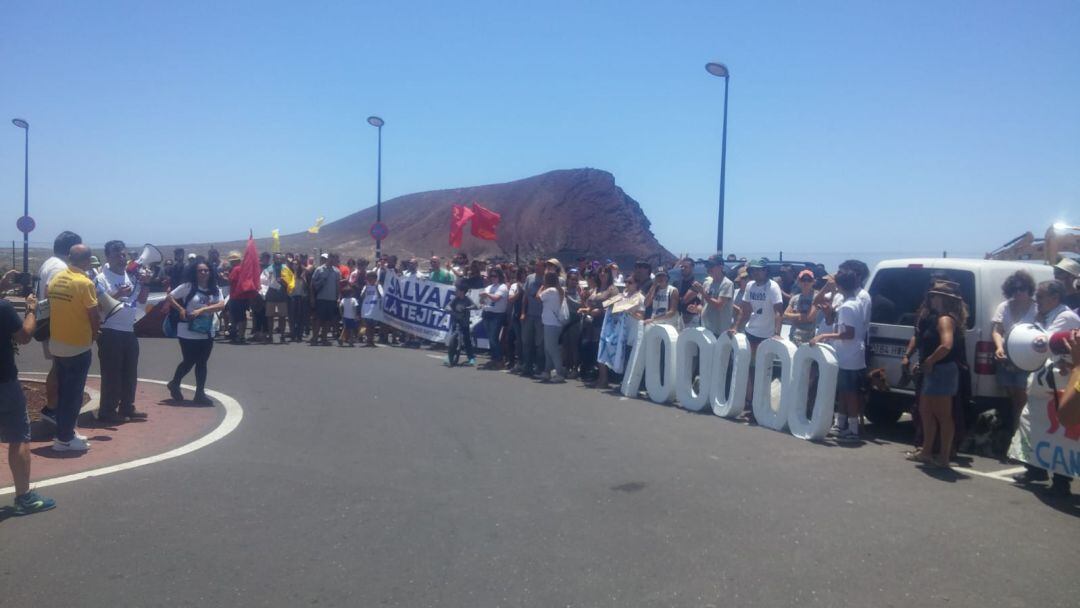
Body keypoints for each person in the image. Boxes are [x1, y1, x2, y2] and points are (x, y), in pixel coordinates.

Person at [1010, 280, 1080, 496]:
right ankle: (1035, 468)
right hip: (1045, 383)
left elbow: (1044, 344)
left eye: (1040, 297)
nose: (1035, 301)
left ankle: (1061, 480)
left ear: (1054, 298)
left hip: (1060, 384)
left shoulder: (1065, 317)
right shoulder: (1046, 315)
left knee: (1062, 433)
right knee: (1032, 422)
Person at [0, 280, 56, 515]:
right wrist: (31, 309)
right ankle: (25, 498)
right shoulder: (3, 307)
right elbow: (24, 336)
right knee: (19, 436)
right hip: (4, 382)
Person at [905, 280, 967, 467]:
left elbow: (946, 345)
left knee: (943, 415)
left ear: (943, 299)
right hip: (933, 369)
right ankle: (926, 451)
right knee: (926, 412)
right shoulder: (933, 317)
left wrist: (930, 361)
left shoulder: (945, 319)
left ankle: (944, 457)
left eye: (935, 295)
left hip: (942, 370)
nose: (931, 298)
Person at [47, 244, 100, 452]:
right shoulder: (84, 283)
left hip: (57, 342)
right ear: (87, 261)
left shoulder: (56, 279)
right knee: (73, 394)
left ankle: (65, 431)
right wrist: (95, 335)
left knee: (63, 390)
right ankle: (64, 439)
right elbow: (94, 315)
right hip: (77, 345)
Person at [94, 240, 150, 424]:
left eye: (123, 254)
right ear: (108, 257)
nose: (121, 257)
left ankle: (127, 407)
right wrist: (117, 295)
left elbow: (142, 299)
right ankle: (107, 411)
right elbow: (97, 306)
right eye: (116, 254)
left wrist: (146, 283)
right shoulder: (102, 278)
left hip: (128, 330)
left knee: (129, 372)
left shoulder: (130, 276)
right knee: (111, 373)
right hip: (110, 330)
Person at [811, 269, 869, 443]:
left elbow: (848, 333)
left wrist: (824, 336)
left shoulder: (847, 307)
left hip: (849, 356)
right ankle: (842, 424)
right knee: (844, 392)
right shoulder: (854, 302)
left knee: (850, 393)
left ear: (840, 285)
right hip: (850, 355)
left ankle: (852, 430)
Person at [35, 230, 83, 427]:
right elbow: (54, 294)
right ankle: (53, 408)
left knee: (57, 367)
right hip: (57, 325)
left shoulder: (49, 263)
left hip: (50, 323)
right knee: (60, 369)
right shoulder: (59, 267)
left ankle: (53, 408)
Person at [166, 261, 225, 405]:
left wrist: (202, 310)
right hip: (187, 331)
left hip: (207, 330)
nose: (204, 273)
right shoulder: (188, 286)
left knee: (202, 362)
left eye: (206, 270)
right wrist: (181, 309)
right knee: (189, 360)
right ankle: (175, 383)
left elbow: (221, 305)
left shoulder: (215, 289)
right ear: (195, 272)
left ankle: (200, 393)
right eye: (200, 271)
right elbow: (169, 297)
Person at [735, 259, 783, 422]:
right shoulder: (749, 286)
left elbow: (778, 312)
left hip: (766, 335)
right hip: (751, 332)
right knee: (750, 370)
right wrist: (736, 327)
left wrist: (777, 333)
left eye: (759, 270)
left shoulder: (773, 287)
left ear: (766, 271)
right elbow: (745, 309)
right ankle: (751, 404)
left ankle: (760, 406)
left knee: (763, 371)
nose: (756, 273)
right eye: (753, 270)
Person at [990, 270, 1037, 437]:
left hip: (1028, 360)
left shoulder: (1037, 309)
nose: (1018, 292)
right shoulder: (1004, 307)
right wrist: (999, 347)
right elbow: (997, 330)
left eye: (1022, 288)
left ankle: (1020, 438)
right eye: (1015, 289)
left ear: (1029, 289)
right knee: (1013, 401)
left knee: (1022, 401)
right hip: (1007, 360)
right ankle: (1015, 436)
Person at [515, 259, 547, 378]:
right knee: (526, 341)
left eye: (540, 266)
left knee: (539, 343)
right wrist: (523, 312)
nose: (537, 268)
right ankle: (527, 367)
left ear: (544, 267)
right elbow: (525, 297)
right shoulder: (530, 278)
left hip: (541, 316)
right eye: (536, 266)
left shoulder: (547, 280)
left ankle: (539, 367)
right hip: (529, 314)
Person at [538, 271, 566, 382]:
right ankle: (546, 371)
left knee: (552, 349)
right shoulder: (559, 290)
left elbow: (538, 296)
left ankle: (559, 373)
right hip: (553, 323)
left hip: (551, 324)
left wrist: (541, 287)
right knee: (547, 348)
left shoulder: (550, 291)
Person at [478, 267, 508, 369]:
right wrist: (482, 299)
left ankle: (500, 360)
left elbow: (496, 298)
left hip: (497, 315)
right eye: (491, 276)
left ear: (499, 276)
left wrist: (486, 294)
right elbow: (482, 300)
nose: (493, 278)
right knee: (490, 338)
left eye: (495, 276)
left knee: (494, 338)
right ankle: (494, 359)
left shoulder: (502, 287)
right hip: (487, 313)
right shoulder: (489, 287)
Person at [699, 254, 735, 337]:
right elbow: (703, 305)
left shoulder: (727, 284)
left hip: (719, 331)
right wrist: (696, 309)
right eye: (707, 265)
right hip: (706, 329)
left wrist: (702, 292)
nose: (708, 268)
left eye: (711, 265)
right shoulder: (706, 283)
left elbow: (719, 305)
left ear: (721, 266)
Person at [444, 280, 477, 366]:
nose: (455, 291)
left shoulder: (467, 299)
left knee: (467, 340)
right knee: (453, 340)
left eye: (457, 290)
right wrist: (449, 309)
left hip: (464, 322)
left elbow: (475, 306)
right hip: (456, 321)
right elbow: (448, 305)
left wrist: (468, 308)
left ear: (462, 291)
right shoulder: (455, 299)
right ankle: (449, 356)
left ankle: (471, 358)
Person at [310, 253, 340, 346]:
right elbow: (312, 284)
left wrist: (338, 297)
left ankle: (324, 338)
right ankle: (315, 338)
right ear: (328, 258)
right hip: (321, 298)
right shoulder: (319, 269)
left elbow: (337, 286)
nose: (332, 260)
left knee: (328, 320)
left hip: (331, 299)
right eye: (331, 258)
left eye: (334, 259)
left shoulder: (336, 271)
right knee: (318, 319)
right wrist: (312, 298)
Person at [260, 253, 291, 343]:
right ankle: (270, 335)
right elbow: (262, 281)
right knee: (270, 316)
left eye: (280, 258)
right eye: (277, 258)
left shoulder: (285, 268)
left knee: (283, 317)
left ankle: (282, 335)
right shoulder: (268, 269)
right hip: (271, 296)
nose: (279, 259)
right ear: (273, 259)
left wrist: (283, 281)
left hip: (282, 296)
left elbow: (290, 282)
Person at [783, 269, 818, 346]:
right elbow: (785, 315)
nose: (806, 282)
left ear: (813, 282)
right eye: (803, 279)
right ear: (798, 282)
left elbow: (809, 318)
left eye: (809, 280)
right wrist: (800, 315)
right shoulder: (794, 298)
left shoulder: (817, 297)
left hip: (809, 340)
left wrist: (793, 316)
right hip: (793, 337)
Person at [561, 267, 585, 378]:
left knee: (574, 346)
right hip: (565, 320)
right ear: (568, 279)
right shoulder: (563, 290)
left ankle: (575, 368)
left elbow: (579, 304)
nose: (574, 281)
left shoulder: (579, 291)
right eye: (572, 279)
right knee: (566, 345)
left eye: (576, 280)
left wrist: (568, 298)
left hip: (575, 320)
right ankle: (566, 367)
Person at [358, 270, 383, 347]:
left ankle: (371, 340)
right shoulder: (366, 287)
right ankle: (368, 340)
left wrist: (376, 288)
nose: (369, 280)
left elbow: (381, 296)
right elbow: (361, 297)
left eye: (370, 278)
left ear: (375, 278)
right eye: (368, 278)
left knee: (372, 326)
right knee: (367, 325)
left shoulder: (378, 286)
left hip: (374, 308)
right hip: (366, 308)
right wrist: (365, 289)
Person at [287, 258, 310, 343]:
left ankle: (299, 334)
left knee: (301, 317)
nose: (295, 265)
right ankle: (293, 334)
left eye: (296, 264)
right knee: (292, 317)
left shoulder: (303, 274)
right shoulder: (289, 274)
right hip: (292, 297)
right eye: (293, 264)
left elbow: (306, 285)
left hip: (301, 297)